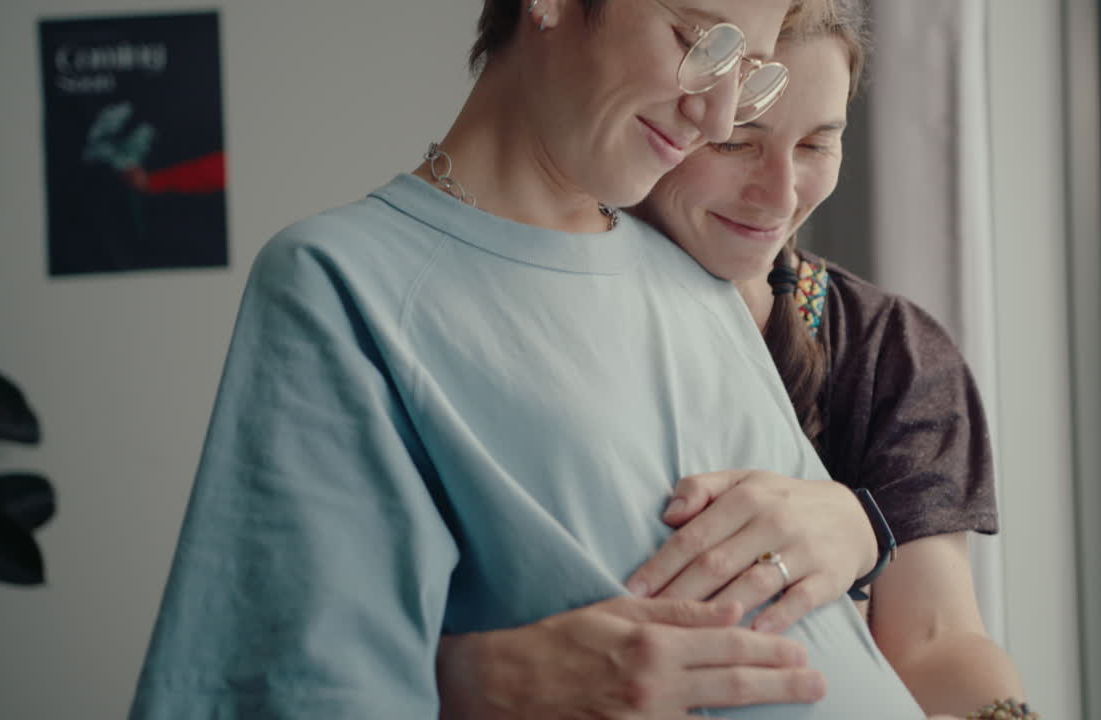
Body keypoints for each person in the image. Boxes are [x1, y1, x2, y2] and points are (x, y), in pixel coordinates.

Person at [128, 1, 931, 718]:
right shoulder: (343, 283)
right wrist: (472, 688)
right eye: (697, 40)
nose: (718, 113)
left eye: (746, 70)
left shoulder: (697, 281)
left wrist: (860, 529)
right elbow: (298, 687)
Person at [435, 2, 1032, 718]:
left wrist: (859, 525)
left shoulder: (889, 351)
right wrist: (463, 674)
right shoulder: (511, 312)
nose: (779, 196)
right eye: (738, 143)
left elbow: (936, 642)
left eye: (817, 145)